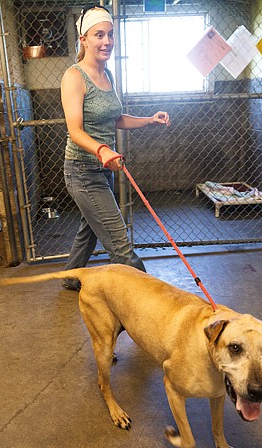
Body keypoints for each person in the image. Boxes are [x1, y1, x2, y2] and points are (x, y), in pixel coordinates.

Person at [60, 5, 170, 291]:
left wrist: (148, 120)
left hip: (103, 169)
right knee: (121, 246)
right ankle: (153, 302)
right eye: (99, 34)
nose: (107, 41)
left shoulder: (107, 73)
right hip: (83, 172)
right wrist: (102, 150)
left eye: (110, 34)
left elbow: (116, 118)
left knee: (90, 230)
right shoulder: (74, 76)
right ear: (84, 39)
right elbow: (75, 131)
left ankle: (71, 277)